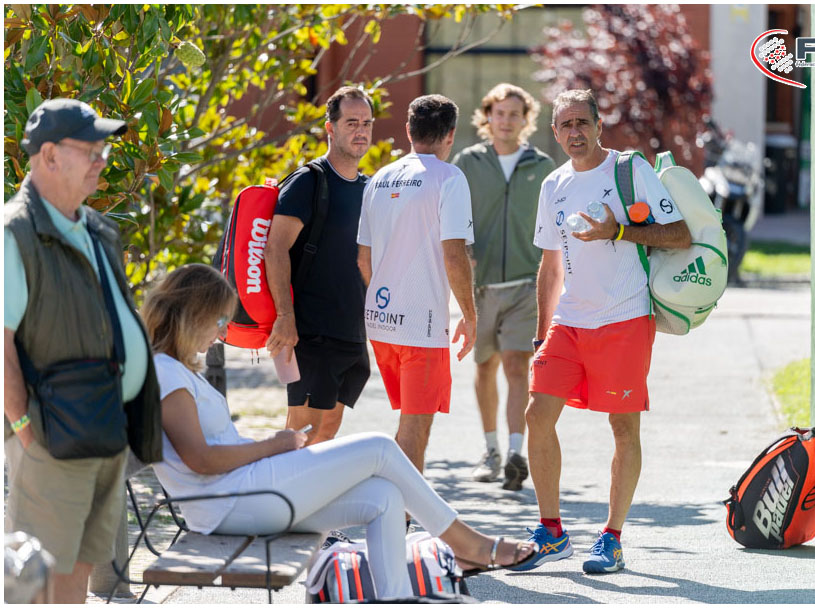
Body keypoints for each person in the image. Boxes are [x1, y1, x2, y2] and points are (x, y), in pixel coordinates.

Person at [141, 264, 537, 599]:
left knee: (383, 496)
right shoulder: (166, 373)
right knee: (379, 448)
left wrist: (275, 448)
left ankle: (396, 598)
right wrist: (273, 445)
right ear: (193, 315)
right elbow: (202, 460)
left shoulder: (174, 371)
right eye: (219, 321)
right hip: (231, 504)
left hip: (242, 496)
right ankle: (467, 544)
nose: (222, 332)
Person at [514, 90, 691, 574]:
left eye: (582, 122)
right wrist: (540, 336)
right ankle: (552, 532)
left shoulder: (629, 171)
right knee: (537, 414)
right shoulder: (553, 184)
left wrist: (619, 231)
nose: (575, 132)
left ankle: (612, 539)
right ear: (555, 132)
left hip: (624, 317)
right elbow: (551, 267)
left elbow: (679, 235)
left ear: (597, 125)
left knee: (622, 427)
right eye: (565, 125)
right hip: (570, 321)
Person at [4, 98, 161, 603]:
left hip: (102, 428)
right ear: (49, 155)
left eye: (102, 150)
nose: (101, 160)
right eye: (90, 149)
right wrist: (25, 430)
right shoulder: (15, 232)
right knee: (40, 584)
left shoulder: (94, 227)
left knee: (77, 579)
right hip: (51, 438)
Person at [356, 95, 476, 474]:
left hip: (381, 322)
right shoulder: (449, 178)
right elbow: (454, 255)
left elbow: (363, 259)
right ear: (450, 135)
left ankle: (396, 503)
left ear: (408, 130)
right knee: (416, 428)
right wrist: (470, 314)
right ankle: (399, 508)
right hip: (420, 327)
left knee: (410, 423)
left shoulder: (378, 179)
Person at [452, 83, 556, 491]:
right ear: (487, 117)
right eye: (500, 113)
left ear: (526, 120)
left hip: (526, 285)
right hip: (479, 287)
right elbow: (452, 215)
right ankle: (491, 449)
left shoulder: (542, 166)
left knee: (516, 366)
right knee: (484, 367)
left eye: (515, 114)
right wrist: (463, 255)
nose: (507, 121)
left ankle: (515, 453)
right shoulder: (468, 162)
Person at [263, 86, 374, 444]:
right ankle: (277, 483)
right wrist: (285, 316)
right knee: (300, 435)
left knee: (326, 433)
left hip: (351, 332)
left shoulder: (369, 188)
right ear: (330, 127)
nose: (361, 131)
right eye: (352, 122)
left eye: (367, 123)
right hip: (310, 333)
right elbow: (275, 248)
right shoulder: (309, 181)